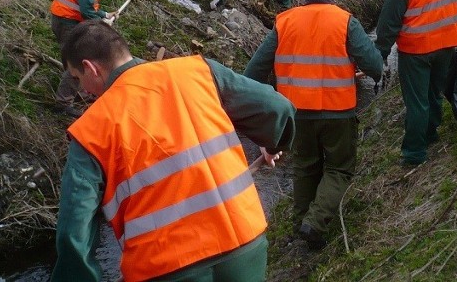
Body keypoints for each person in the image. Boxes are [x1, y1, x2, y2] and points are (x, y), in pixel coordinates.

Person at [51, 20, 296, 282]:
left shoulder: (91, 129)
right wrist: (273, 144)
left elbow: (73, 229)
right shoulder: (197, 71)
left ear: (90, 68)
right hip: (244, 244)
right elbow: (277, 109)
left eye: (78, 79)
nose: (84, 91)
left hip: (166, 267)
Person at [244, 0, 382, 250]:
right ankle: (315, 223)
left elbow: (254, 72)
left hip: (295, 115)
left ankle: (300, 228)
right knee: (339, 169)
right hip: (338, 112)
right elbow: (374, 65)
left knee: (305, 168)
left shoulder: (285, 22)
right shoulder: (346, 22)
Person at [375, 0, 457, 167]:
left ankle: (414, 152)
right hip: (447, 44)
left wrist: (379, 56)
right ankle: (431, 133)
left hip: (416, 50)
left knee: (417, 102)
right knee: (434, 93)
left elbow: (387, 26)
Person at [49, 0, 117, 117]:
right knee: (78, 63)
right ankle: (63, 104)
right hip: (67, 23)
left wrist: (104, 14)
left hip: (64, 19)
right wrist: (102, 25)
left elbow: (87, 5)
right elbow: (86, 11)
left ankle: (79, 91)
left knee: (74, 60)